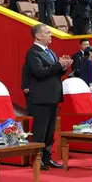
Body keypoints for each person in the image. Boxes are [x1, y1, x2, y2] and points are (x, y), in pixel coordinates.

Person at [24, 24, 71, 170]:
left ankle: (47, 157)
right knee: (40, 131)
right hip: (41, 98)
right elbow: (39, 72)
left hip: (53, 96)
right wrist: (58, 65)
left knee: (50, 131)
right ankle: (37, 159)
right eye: (48, 32)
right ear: (38, 35)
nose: (51, 35)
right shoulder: (33, 52)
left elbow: (53, 72)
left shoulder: (49, 51)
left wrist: (63, 67)